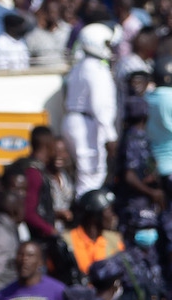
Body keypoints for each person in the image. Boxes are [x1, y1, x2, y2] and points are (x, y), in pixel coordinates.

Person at [63, 24, 117, 197]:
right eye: (107, 43)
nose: (110, 48)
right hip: (86, 126)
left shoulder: (79, 66)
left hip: (74, 121)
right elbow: (100, 105)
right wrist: (110, 135)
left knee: (83, 175)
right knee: (91, 177)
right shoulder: (96, 69)